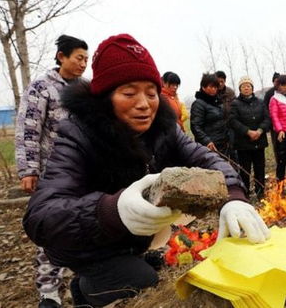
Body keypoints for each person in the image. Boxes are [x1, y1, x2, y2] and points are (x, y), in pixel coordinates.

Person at [22, 34, 270, 307]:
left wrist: (233, 196)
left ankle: (110, 273)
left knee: (157, 265)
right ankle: (87, 286)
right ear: (105, 98)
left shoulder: (164, 129)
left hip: (134, 239)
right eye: (129, 93)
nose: (144, 104)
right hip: (85, 244)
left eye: (151, 93)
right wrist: (111, 210)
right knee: (141, 281)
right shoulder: (78, 134)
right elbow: (41, 217)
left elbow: (206, 159)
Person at [15, 34, 88, 308]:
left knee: (83, 224)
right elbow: (28, 130)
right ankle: (49, 292)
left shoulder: (85, 89)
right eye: (79, 58)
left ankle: (83, 283)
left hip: (84, 172)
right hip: (51, 174)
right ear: (61, 57)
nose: (83, 64)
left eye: (86, 60)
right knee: (52, 228)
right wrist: (28, 169)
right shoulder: (41, 88)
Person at [229, 76, 271, 199]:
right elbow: (233, 121)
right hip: (243, 143)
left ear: (252, 88)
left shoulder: (260, 102)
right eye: (243, 86)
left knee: (260, 168)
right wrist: (247, 131)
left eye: (248, 86)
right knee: (245, 170)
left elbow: (267, 119)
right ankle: (245, 193)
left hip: (259, 141)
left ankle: (260, 192)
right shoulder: (235, 104)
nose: (246, 88)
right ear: (240, 89)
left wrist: (259, 130)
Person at [190, 73, 232, 156]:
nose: (214, 89)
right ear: (203, 87)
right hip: (209, 147)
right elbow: (195, 126)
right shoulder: (199, 104)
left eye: (215, 87)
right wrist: (207, 141)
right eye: (211, 87)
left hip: (222, 144)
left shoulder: (217, 102)